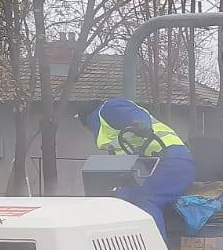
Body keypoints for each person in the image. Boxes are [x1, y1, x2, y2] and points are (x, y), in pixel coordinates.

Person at [76, 97, 196, 239]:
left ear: (87, 119)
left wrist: (142, 124)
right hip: (160, 163)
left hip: (171, 160)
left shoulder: (109, 108)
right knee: (122, 197)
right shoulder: (108, 128)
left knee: (146, 200)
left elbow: (133, 114)